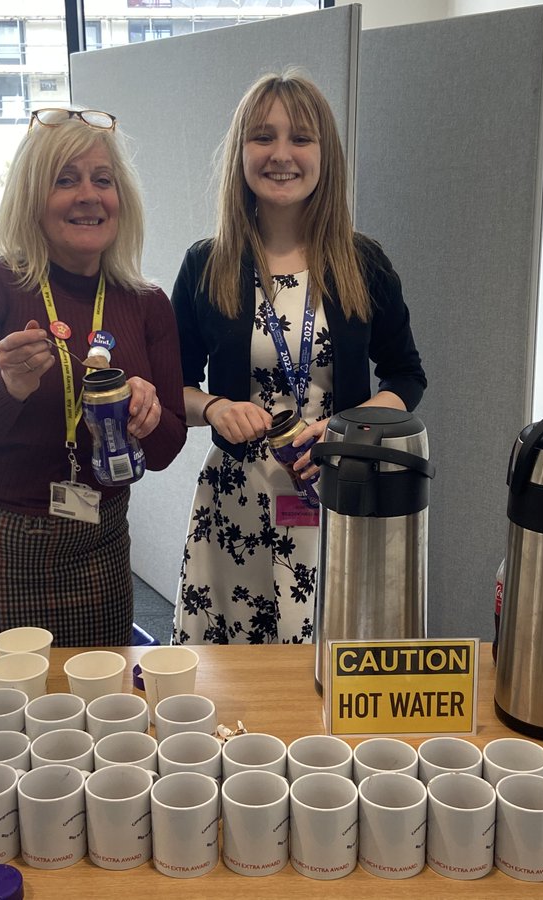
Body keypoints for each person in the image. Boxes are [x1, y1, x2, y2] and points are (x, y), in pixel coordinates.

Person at [172, 71, 426, 645]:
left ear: (324, 154)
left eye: (301, 138)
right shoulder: (207, 264)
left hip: (339, 494)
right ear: (241, 151)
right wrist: (213, 407)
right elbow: (174, 389)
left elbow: (406, 375)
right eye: (263, 137)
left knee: (333, 671)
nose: (281, 154)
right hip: (236, 505)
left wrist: (347, 429)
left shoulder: (363, 262)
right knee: (232, 681)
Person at [0, 106, 186, 649]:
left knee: (101, 705)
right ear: (31, 198)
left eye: (102, 180)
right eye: (64, 180)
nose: (88, 195)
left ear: (122, 198)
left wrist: (147, 416)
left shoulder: (146, 304)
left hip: (98, 538)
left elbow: (164, 449)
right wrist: (8, 389)